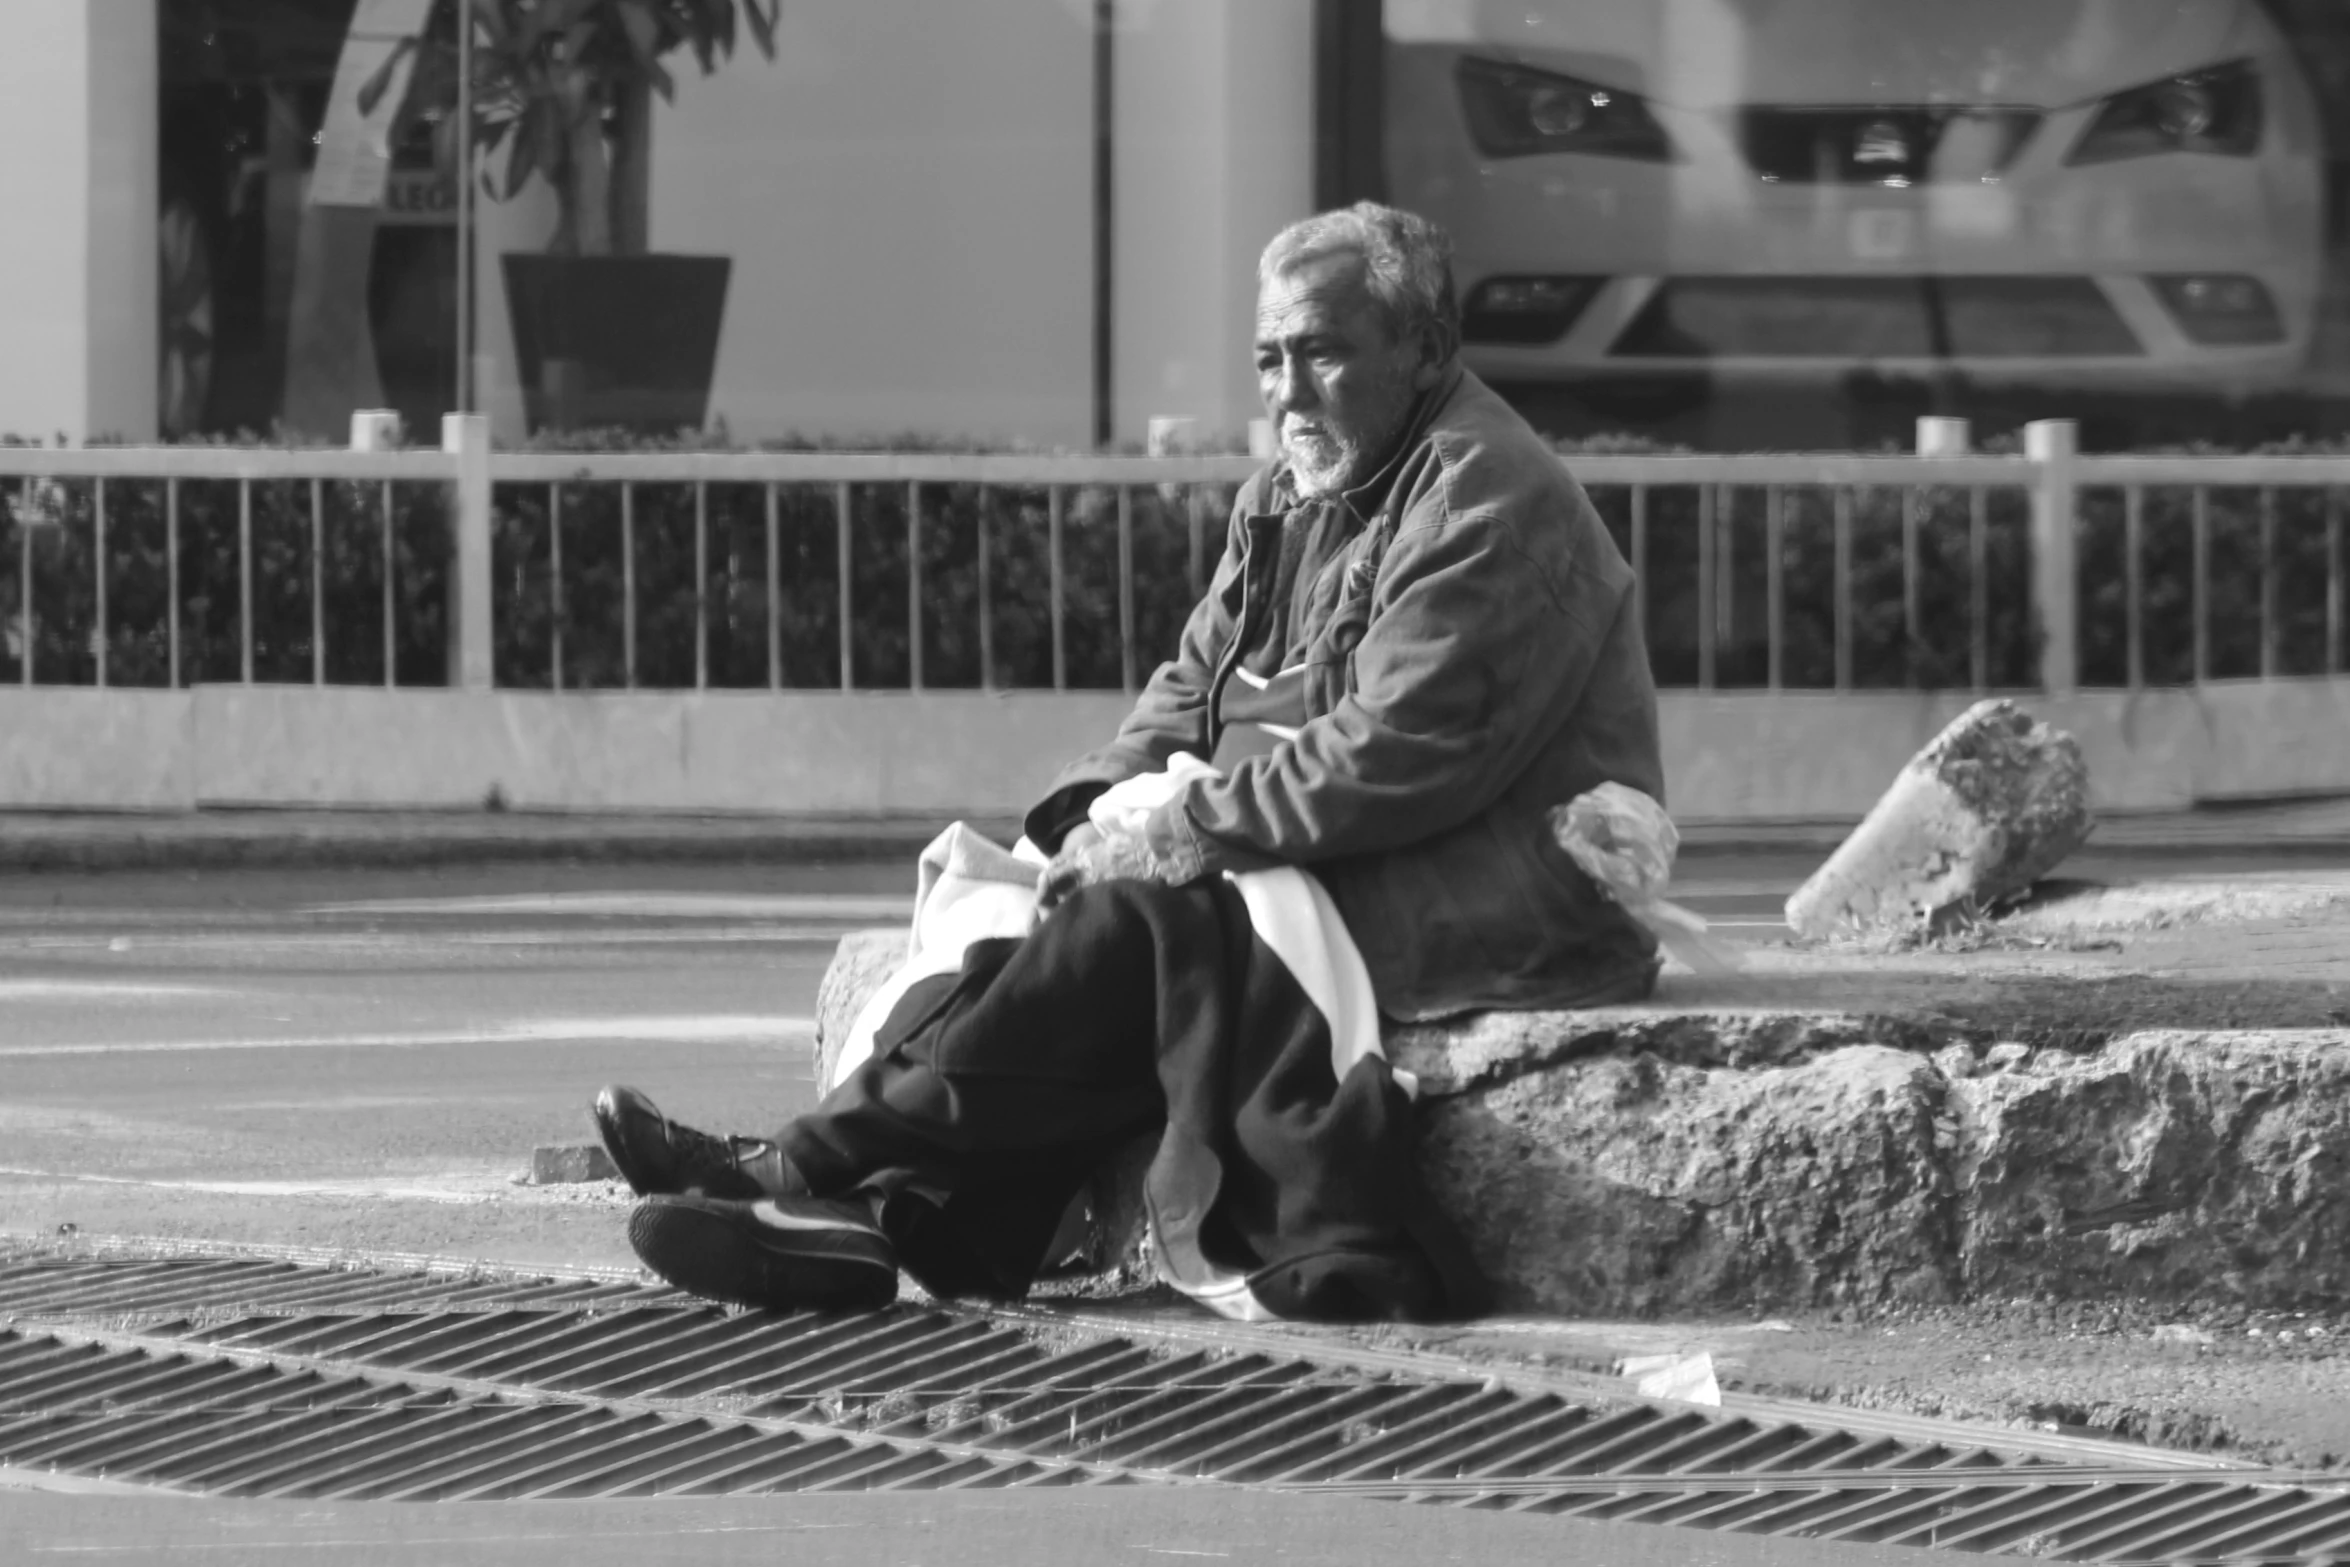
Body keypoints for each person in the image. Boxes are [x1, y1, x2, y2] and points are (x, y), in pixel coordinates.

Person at [594, 201, 1663, 1322]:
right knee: (1033, 907)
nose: (1288, 392)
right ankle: (857, 1215)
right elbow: (1187, 694)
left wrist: (1162, 837)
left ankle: (797, 1172)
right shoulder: (1289, 494)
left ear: (1426, 349)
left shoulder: (1487, 495)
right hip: (1301, 842)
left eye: (1324, 352)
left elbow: (1392, 755)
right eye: (1268, 358)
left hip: (1488, 883)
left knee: (1136, 926)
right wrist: (1078, 826)